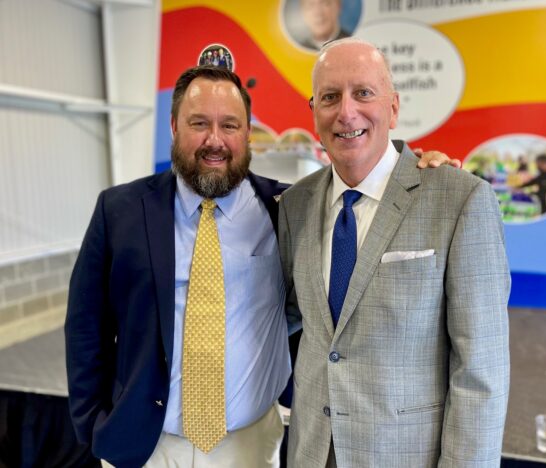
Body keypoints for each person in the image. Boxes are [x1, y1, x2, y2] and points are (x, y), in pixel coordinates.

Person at [65, 64, 457, 467]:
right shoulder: (120, 210)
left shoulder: (291, 209)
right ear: (174, 126)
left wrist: (418, 167)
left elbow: (367, 186)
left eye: (230, 125)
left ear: (248, 131)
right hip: (144, 446)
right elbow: (85, 327)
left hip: (250, 447)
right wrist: (92, 423)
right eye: (199, 123)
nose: (214, 140)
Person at [278, 38, 511, 468]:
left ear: (393, 107)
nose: (346, 112)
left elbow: (481, 374)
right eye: (330, 97)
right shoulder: (295, 205)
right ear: (314, 113)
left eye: (363, 93)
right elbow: (297, 318)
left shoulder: (459, 200)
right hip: (311, 451)